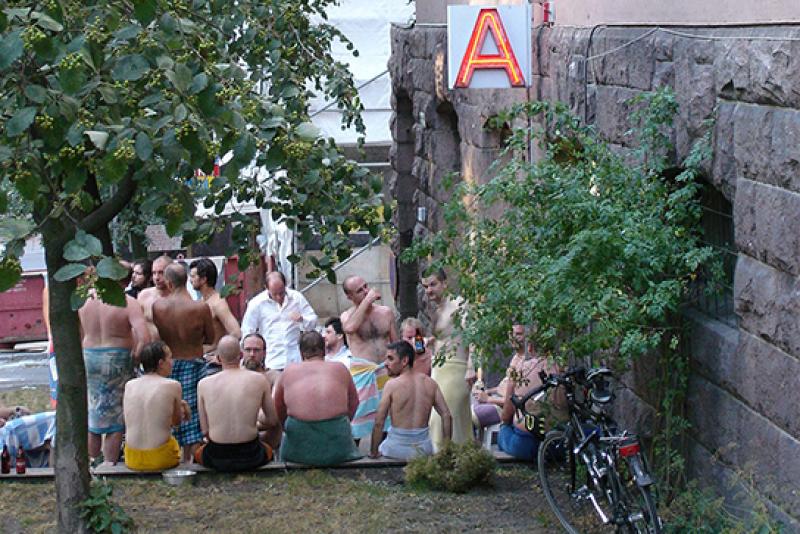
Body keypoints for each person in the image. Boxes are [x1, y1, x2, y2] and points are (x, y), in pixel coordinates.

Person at [78, 285, 151, 465]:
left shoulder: (83, 300)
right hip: (116, 359)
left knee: (93, 411)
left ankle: (91, 462)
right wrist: (136, 356)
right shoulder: (127, 302)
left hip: (89, 356)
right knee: (116, 414)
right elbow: (145, 337)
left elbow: (76, 331)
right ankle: (109, 464)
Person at [152, 263, 216, 462]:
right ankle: (192, 461)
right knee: (193, 415)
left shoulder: (157, 306)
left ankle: (174, 457)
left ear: (168, 283)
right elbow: (210, 338)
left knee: (171, 412)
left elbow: (160, 337)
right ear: (187, 280)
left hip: (169, 365)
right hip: (194, 362)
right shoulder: (200, 307)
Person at [274, 331, 362, 466]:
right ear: (324, 350)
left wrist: (286, 427)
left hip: (299, 444)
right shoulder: (340, 368)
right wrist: (340, 422)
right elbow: (354, 402)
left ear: (301, 352)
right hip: (337, 440)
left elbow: (278, 407)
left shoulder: (289, 371)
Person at [195, 336, 280, 471]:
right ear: (240, 355)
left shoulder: (203, 384)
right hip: (251, 456)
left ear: (217, 358)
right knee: (267, 449)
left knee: (198, 452)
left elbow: (205, 431)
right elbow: (272, 420)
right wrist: (252, 426)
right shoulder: (259, 380)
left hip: (216, 456)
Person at [421, 269, 475, 450]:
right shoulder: (436, 309)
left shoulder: (459, 305)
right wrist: (431, 341)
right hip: (438, 369)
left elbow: (472, 336)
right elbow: (447, 336)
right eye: (426, 286)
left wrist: (472, 366)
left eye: (433, 284)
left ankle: (448, 456)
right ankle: (452, 459)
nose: (429, 290)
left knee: (443, 417)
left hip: (456, 369)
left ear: (445, 283)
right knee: (436, 417)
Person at [370, 341, 451, 460]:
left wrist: (373, 452)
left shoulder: (392, 385)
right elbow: (447, 415)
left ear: (404, 361)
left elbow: (379, 422)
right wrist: (446, 449)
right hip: (423, 450)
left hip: (395, 449)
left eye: (390, 359)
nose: (385, 364)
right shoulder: (430, 383)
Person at [241, 271, 317, 384]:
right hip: (271, 360)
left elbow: (313, 321)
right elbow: (247, 331)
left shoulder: (296, 298)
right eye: (274, 293)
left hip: (294, 359)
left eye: (281, 293)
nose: (278, 297)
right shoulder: (256, 303)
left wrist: (302, 319)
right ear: (266, 288)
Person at [123, 341, 189, 471]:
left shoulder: (129, 385)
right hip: (160, 458)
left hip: (132, 457)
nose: (172, 362)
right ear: (161, 363)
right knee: (174, 444)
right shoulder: (172, 385)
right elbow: (176, 422)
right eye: (170, 358)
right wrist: (182, 407)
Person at [497, 338, 564, 461]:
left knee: (504, 429)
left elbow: (506, 415)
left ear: (530, 348)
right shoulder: (562, 368)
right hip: (560, 442)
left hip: (526, 443)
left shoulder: (521, 369)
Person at [472, 324, 529, 432]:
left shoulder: (527, 362)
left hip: (503, 407)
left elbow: (520, 399)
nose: (514, 337)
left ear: (527, 337)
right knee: (461, 412)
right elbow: (505, 385)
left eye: (519, 334)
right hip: (495, 398)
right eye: (512, 334)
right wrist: (487, 391)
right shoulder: (516, 357)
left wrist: (488, 399)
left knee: (467, 417)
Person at [189, 258, 242, 372]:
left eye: (193, 276)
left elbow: (236, 332)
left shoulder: (218, 303)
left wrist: (220, 355)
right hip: (199, 362)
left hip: (212, 365)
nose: (190, 280)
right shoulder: (201, 301)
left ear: (203, 279)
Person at [340, 275, 398, 364]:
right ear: (349, 297)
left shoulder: (386, 312)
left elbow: (396, 343)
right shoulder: (347, 316)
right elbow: (350, 328)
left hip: (386, 368)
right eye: (359, 291)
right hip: (363, 371)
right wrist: (367, 300)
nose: (366, 292)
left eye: (366, 286)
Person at [138, 255, 173, 340]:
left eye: (161, 273)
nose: (157, 277)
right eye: (154, 273)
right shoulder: (144, 295)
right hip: (150, 348)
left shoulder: (180, 297)